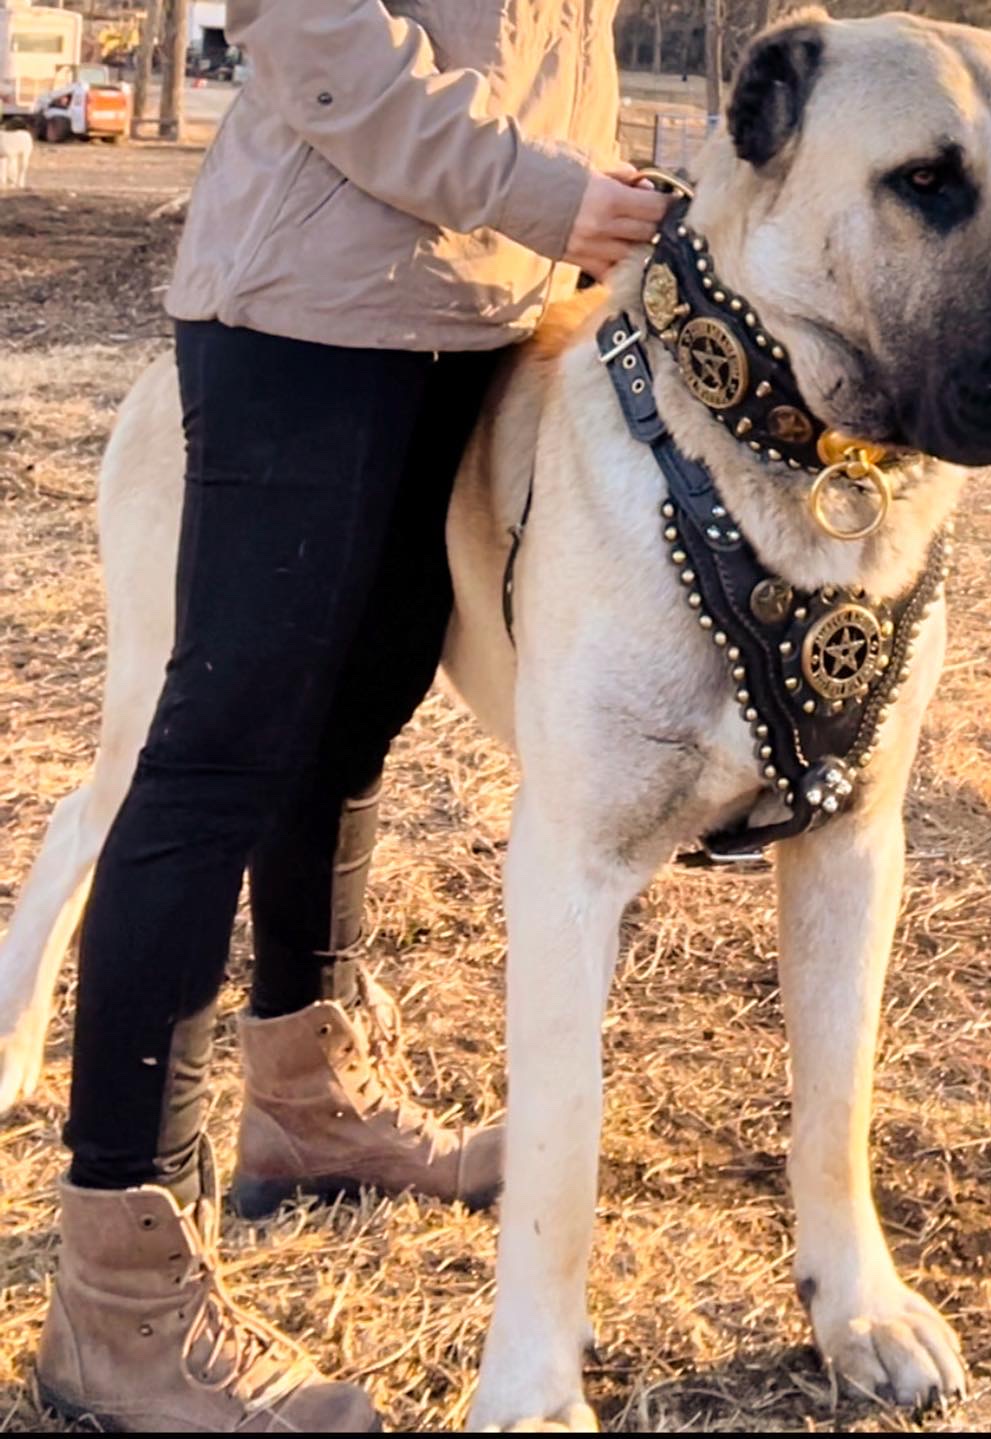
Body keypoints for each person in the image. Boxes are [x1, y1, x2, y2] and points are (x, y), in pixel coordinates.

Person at [34, 2, 670, 1432]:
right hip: (311, 315)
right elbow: (318, 36)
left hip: (485, 315)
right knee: (215, 764)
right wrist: (553, 197)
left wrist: (594, 202)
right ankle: (116, 1306)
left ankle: (305, 1104)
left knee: (349, 730)